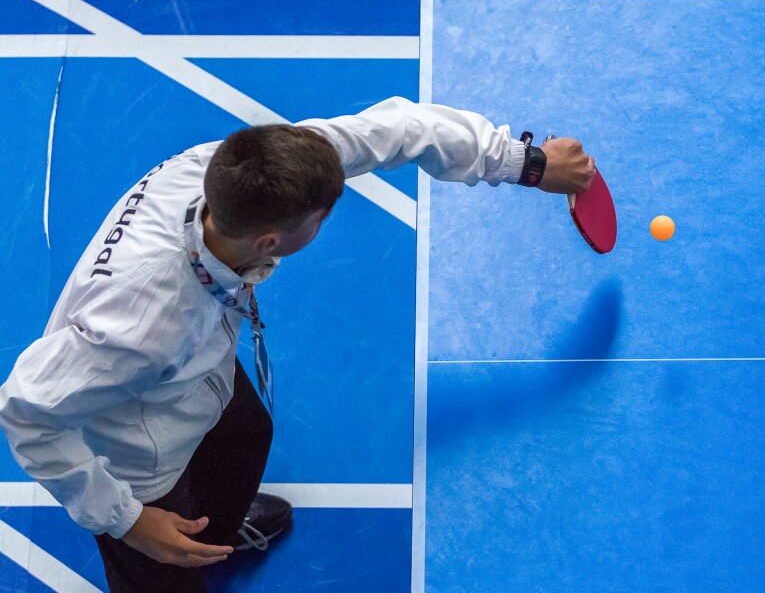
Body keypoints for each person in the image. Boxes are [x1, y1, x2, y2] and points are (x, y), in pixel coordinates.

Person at [0, 96, 595, 592]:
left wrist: (530, 163)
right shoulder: (143, 326)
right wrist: (126, 520)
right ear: (269, 240)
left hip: (195, 372)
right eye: (320, 218)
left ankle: (216, 533)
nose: (324, 221)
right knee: (164, 572)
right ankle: (175, 549)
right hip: (140, 458)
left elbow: (399, 129)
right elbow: (24, 412)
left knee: (245, 434)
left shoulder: (224, 168)